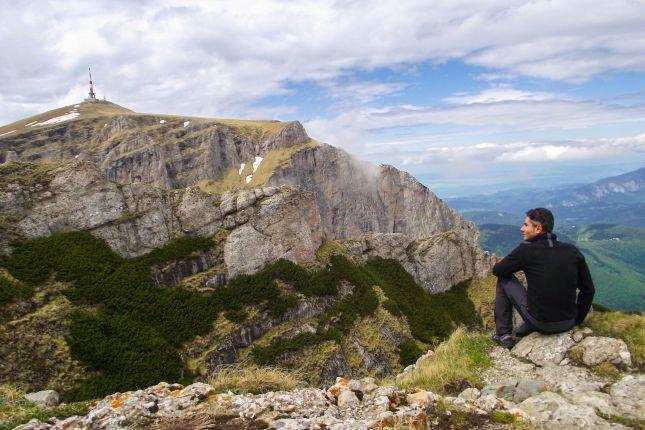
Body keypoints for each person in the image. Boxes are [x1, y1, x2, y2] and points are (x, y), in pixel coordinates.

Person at [491, 208, 595, 349]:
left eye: (526, 225)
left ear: (538, 228)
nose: (522, 229)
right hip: (568, 322)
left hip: (540, 323)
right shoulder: (572, 251)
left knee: (503, 280)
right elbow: (588, 290)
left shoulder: (526, 251)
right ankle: (526, 327)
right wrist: (577, 319)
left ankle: (503, 335)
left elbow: (498, 270)